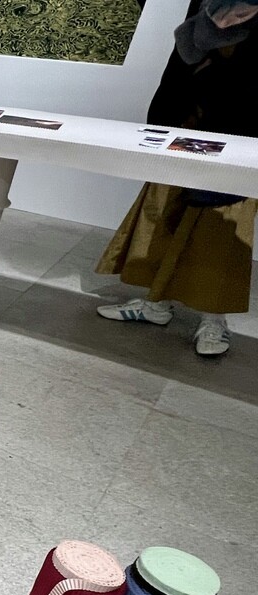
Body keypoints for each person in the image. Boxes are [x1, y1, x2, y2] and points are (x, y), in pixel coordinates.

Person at [96, 0, 258, 356]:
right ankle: (156, 302)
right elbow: (184, 52)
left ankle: (213, 319)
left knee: (223, 219)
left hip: (241, 119)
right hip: (188, 110)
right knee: (162, 206)